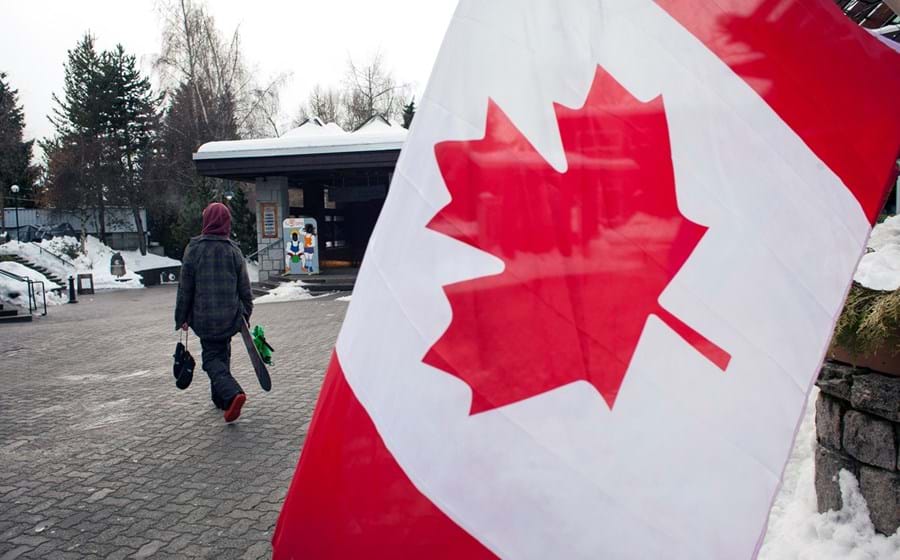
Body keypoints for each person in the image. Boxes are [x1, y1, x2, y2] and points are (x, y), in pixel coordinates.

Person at [175, 202, 254, 423]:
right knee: (222, 353)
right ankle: (220, 399)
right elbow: (245, 288)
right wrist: (245, 314)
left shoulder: (194, 249)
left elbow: (185, 287)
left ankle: (232, 393)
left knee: (211, 359)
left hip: (204, 316)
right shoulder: (233, 250)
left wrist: (182, 317)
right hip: (229, 316)